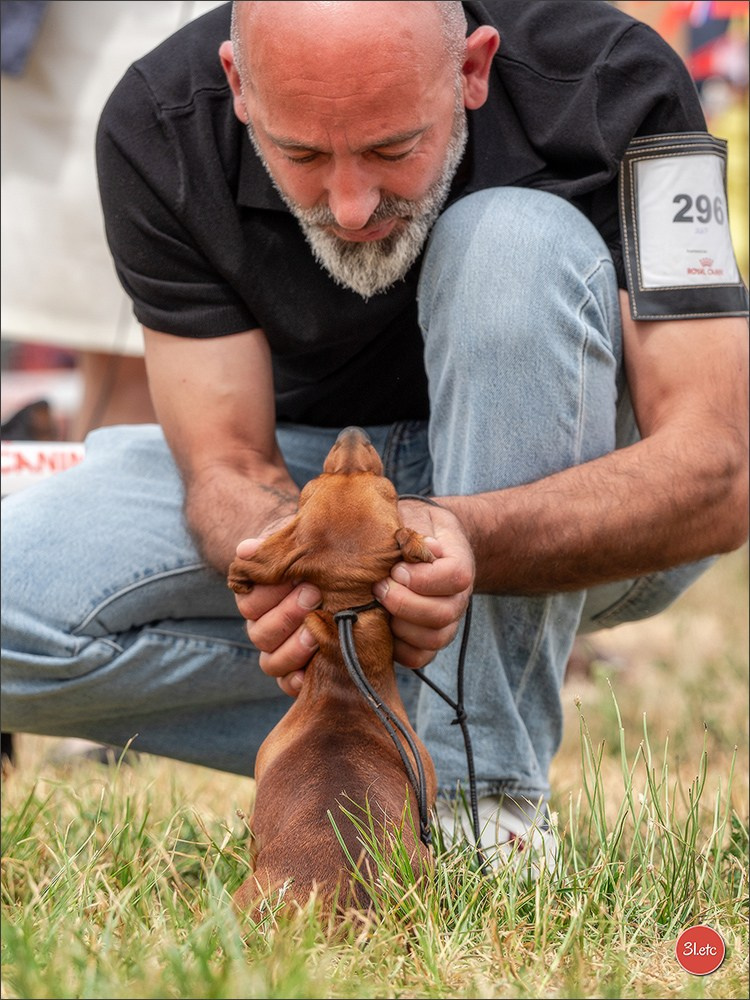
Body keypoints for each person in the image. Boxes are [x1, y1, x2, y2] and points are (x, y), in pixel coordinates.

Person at [2, 1, 747, 874]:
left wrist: (463, 532)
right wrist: (284, 555)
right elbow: (225, 461)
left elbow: (718, 467)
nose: (351, 208)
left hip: (564, 476)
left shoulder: (620, 79)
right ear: (240, 85)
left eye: (394, 149)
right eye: (303, 155)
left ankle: (485, 815)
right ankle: (392, 742)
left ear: (473, 69)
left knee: (509, 241)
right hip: (315, 486)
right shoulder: (160, 120)